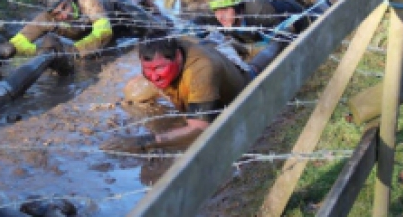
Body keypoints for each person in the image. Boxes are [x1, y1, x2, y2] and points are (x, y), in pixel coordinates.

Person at [102, 28, 303, 153]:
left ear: (178, 57)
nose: (154, 77)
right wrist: (148, 75)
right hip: (204, 57)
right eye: (148, 69)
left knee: (255, 69)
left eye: (159, 68)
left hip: (239, 84)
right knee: (132, 93)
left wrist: (145, 141)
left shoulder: (201, 70)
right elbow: (150, 72)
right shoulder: (165, 55)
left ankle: (282, 39)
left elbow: (199, 129)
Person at [0, 0, 170, 60]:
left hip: (116, 9)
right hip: (91, 29)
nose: (63, 15)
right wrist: (38, 51)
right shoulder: (46, 18)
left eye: (64, 8)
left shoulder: (88, 1)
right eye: (57, 14)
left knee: (158, 29)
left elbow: (103, 33)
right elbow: (18, 42)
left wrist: (72, 51)